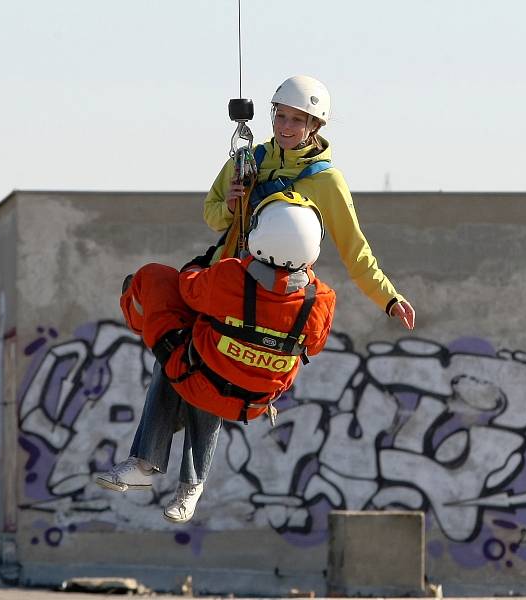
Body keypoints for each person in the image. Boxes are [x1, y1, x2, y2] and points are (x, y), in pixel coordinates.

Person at [96, 192, 336, 523]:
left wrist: (207, 260)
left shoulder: (230, 277)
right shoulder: (320, 300)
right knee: (207, 365)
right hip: (252, 400)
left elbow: (189, 286)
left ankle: (144, 463)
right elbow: (316, 343)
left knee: (156, 289)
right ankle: (190, 486)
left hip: (199, 378)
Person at [207, 74, 415, 328]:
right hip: (226, 278)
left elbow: (355, 250)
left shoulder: (327, 181)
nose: (285, 126)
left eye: (296, 120)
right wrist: (229, 208)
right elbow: (211, 215)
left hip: (277, 293)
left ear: (314, 125)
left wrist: (390, 299)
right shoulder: (247, 160)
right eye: (280, 115)